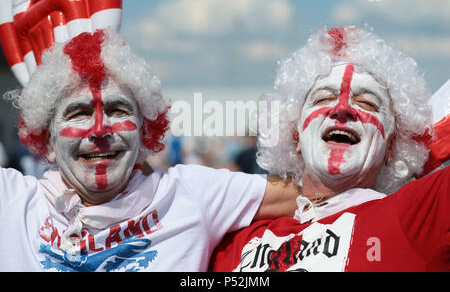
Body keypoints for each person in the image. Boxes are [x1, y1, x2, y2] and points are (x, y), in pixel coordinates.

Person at [0, 29, 299, 272]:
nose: (100, 130)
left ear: (144, 135)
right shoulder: (12, 202)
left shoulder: (191, 195)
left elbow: (311, 192)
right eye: (78, 113)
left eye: (118, 109)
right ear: (49, 143)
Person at [211, 26, 449, 272]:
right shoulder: (235, 241)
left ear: (391, 146)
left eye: (367, 102)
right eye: (323, 98)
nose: (342, 108)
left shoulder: (414, 219)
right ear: (296, 136)